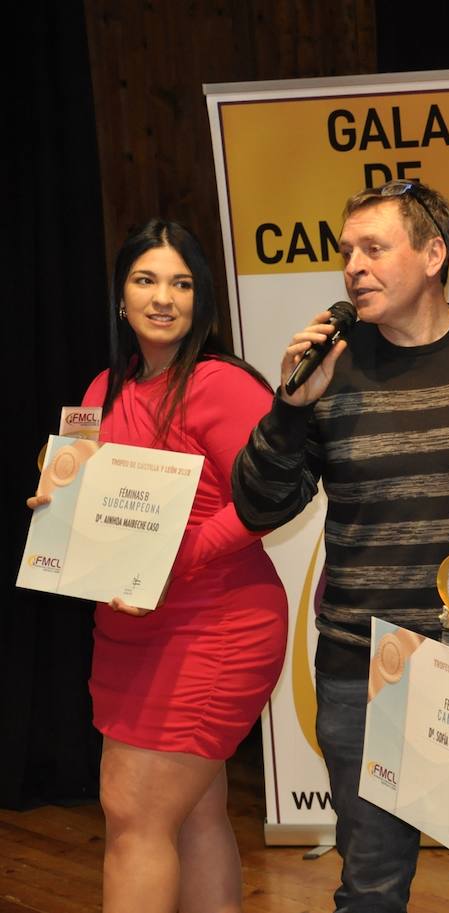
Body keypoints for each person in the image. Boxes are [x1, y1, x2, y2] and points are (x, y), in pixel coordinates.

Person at [230, 180, 449, 912]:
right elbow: (258, 505)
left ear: (433, 253)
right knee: (372, 888)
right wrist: (290, 410)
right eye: (346, 250)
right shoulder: (332, 365)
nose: (353, 265)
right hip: (366, 666)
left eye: (374, 248)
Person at [24, 219, 287, 913]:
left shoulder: (222, 384)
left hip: (216, 627)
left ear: (202, 300)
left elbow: (272, 499)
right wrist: (58, 503)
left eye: (182, 282)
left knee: (135, 818)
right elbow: (86, 499)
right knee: (191, 816)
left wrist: (181, 558)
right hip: (130, 632)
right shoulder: (103, 387)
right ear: (121, 296)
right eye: (146, 279)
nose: (163, 296)